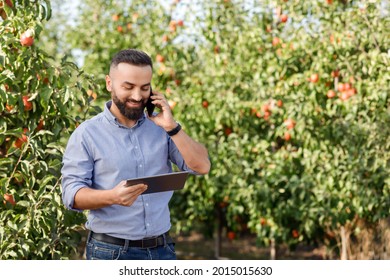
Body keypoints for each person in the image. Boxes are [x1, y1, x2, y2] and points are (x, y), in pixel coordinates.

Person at [61, 49, 210, 260]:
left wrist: (173, 127)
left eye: (145, 88)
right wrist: (112, 196)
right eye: (128, 87)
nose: (138, 96)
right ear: (109, 83)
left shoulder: (163, 128)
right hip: (110, 252)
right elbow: (71, 195)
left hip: (162, 249)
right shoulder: (87, 134)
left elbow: (201, 166)